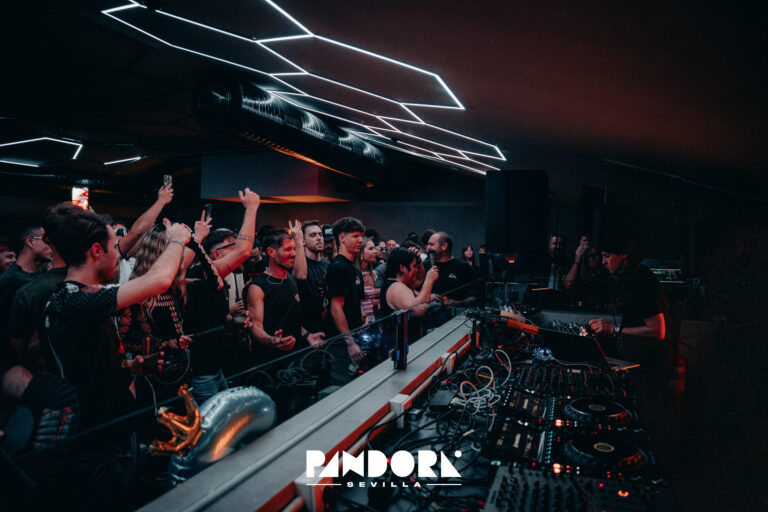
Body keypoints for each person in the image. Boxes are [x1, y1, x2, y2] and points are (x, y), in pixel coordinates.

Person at [42, 207, 191, 505]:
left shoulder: (80, 297)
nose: (118, 255)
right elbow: (160, 280)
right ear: (96, 251)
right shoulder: (75, 299)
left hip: (113, 435)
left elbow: (85, 360)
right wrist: (176, 240)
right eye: (114, 248)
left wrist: (130, 367)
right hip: (96, 444)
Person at [187, 189, 260, 404]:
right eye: (231, 246)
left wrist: (231, 319)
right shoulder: (199, 272)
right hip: (204, 370)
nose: (236, 249)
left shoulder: (210, 276)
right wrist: (251, 209)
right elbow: (243, 251)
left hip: (218, 365)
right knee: (210, 420)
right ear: (215, 254)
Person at [245, 225, 325, 365]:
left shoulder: (290, 279)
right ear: (271, 252)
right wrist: (272, 340)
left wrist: (307, 335)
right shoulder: (257, 286)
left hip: (295, 359)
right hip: (269, 363)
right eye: (288, 249)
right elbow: (255, 325)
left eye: (294, 249)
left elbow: (290, 319)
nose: (293, 254)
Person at [588, 236, 667, 341]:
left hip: (648, 350)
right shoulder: (629, 277)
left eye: (607, 256)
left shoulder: (641, 280)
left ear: (623, 255)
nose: (603, 262)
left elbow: (657, 330)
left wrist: (614, 329)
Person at [324, 217, 366, 363]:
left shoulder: (354, 269)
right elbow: (336, 308)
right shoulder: (339, 267)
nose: (360, 240)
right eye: (355, 236)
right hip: (341, 343)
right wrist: (350, 342)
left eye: (360, 236)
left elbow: (355, 301)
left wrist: (362, 314)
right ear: (342, 238)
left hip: (356, 335)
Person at [426, 231, 476, 303]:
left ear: (444, 246)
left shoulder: (463, 267)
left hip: (455, 310)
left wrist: (456, 302)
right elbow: (413, 292)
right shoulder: (425, 265)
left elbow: (475, 297)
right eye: (428, 244)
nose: (428, 247)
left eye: (431, 244)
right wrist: (427, 296)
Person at [298, 220, 329, 333]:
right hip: (306, 329)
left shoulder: (328, 264)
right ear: (303, 241)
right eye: (313, 235)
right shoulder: (299, 265)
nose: (319, 238)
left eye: (320, 234)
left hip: (327, 327)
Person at [355, 237, 380, 324]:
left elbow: (369, 301)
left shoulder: (373, 274)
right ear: (361, 253)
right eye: (371, 248)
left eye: (375, 248)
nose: (375, 251)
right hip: (358, 321)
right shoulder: (353, 274)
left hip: (371, 319)